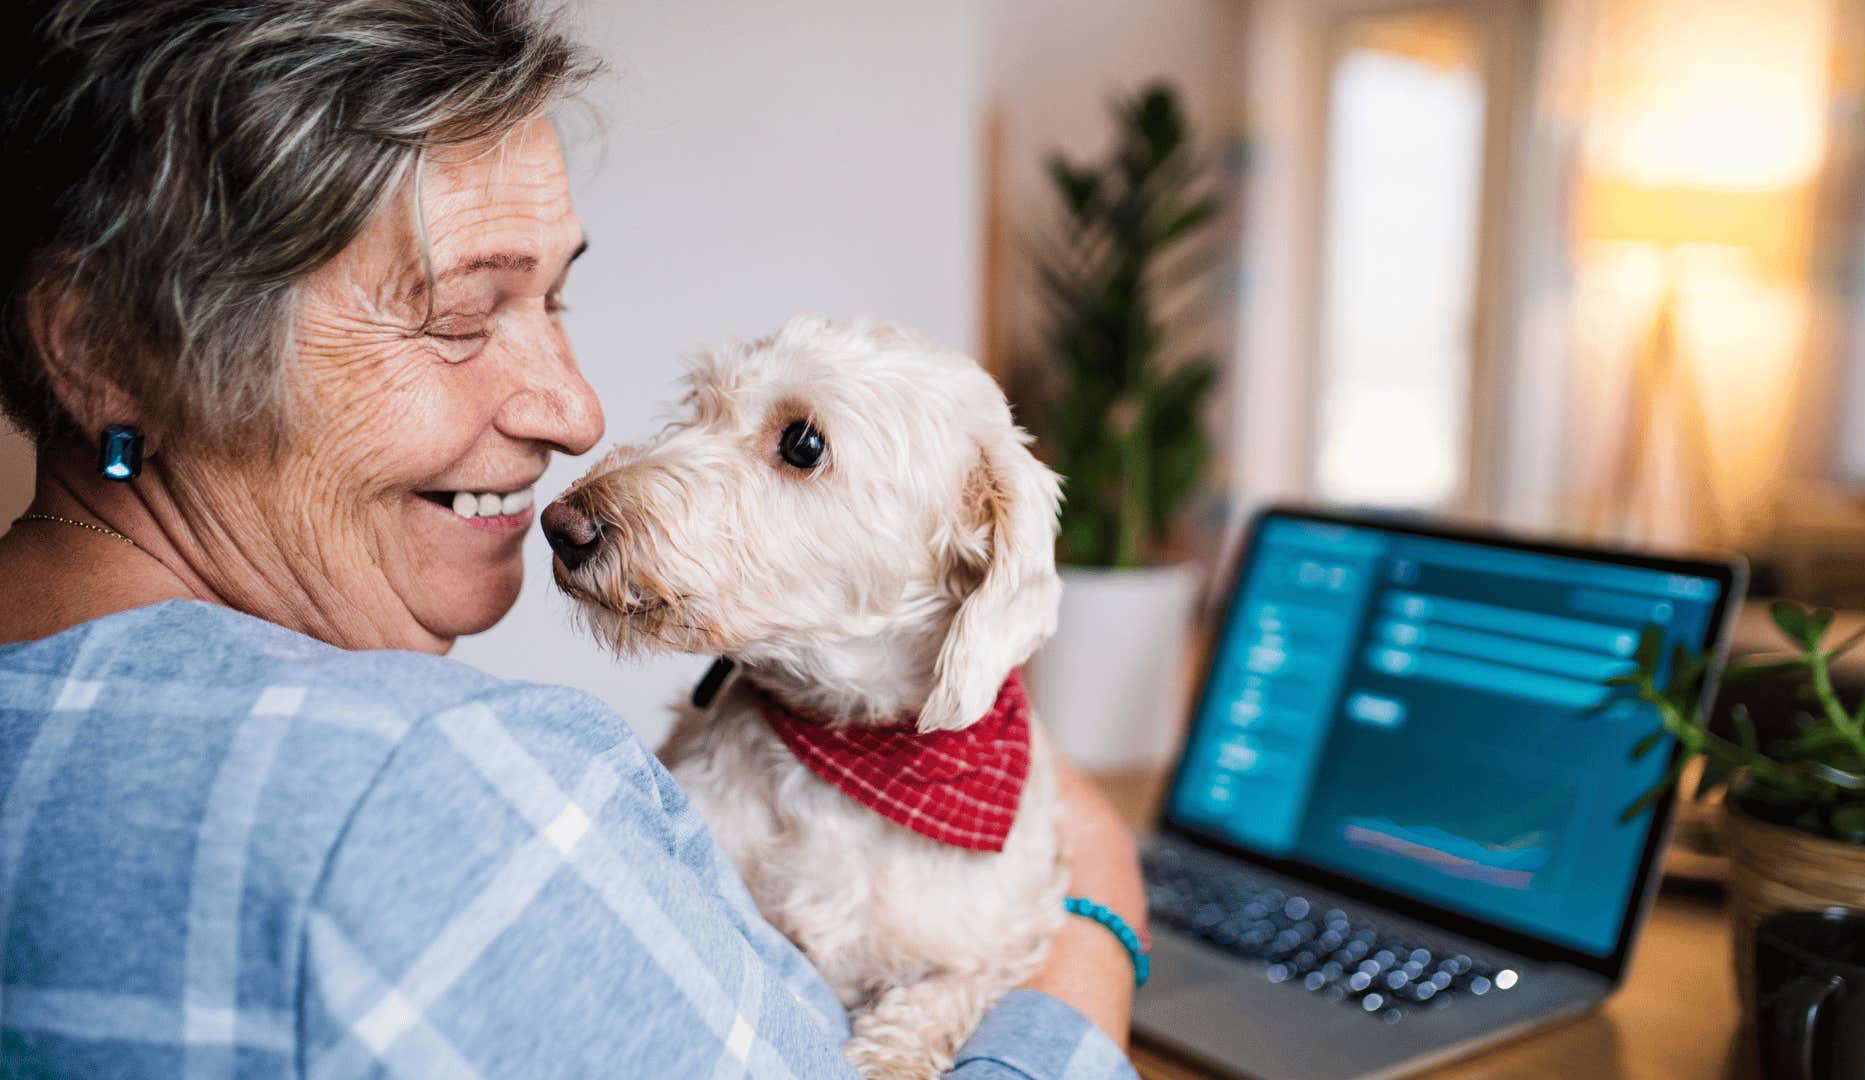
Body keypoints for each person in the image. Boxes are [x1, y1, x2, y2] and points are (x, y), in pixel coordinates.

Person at [0, 2, 1148, 1076]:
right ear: (102, 346)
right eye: (459, 315)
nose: (579, 415)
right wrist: (1101, 905)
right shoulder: (425, 785)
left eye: (552, 301)